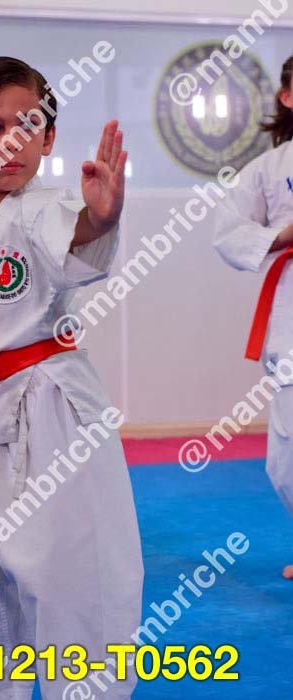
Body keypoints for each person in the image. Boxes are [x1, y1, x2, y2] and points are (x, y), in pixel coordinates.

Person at [0, 56, 144, 699]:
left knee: (71, 580)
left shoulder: (43, 209)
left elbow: (73, 239)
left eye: (29, 125)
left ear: (48, 139)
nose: (12, 140)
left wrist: (101, 219)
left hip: (54, 418)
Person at [213, 55, 293, 580]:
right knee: (286, 457)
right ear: (287, 96)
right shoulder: (269, 168)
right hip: (290, 321)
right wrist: (282, 236)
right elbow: (228, 230)